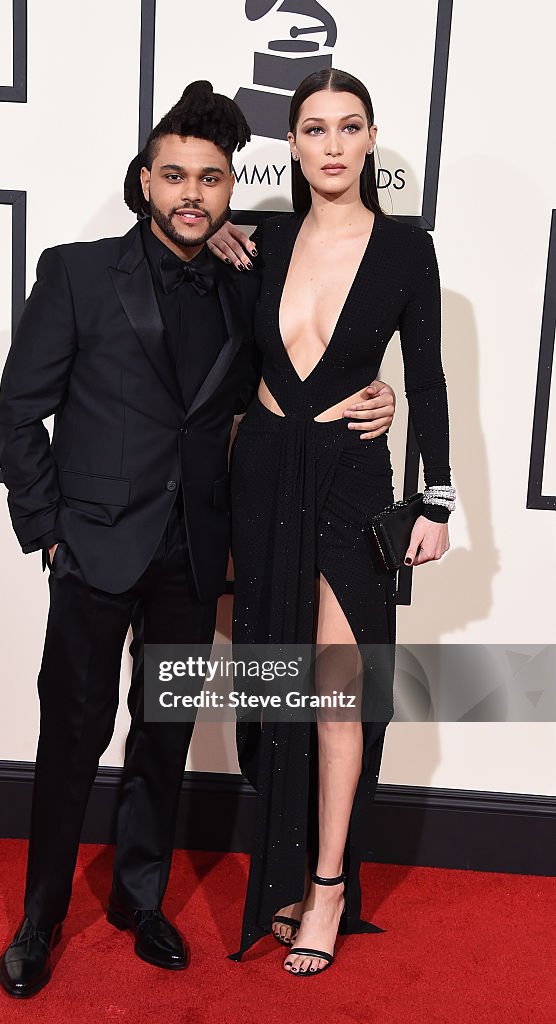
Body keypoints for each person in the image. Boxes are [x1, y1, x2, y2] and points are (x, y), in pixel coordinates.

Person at [0, 79, 396, 996]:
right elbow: (19, 414)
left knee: (163, 736)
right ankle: (41, 917)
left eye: (210, 179)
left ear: (229, 188)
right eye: (173, 175)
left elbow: (302, 371)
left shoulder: (247, 285)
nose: (191, 194)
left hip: (192, 553)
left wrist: (380, 393)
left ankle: (140, 900)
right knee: (71, 740)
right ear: (143, 182)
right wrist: (50, 531)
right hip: (93, 550)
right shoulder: (76, 271)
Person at [208, 67, 454, 976]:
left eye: (350, 128)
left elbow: (423, 378)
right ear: (295, 145)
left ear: (371, 138)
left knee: (337, 694)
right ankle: (281, 867)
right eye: (315, 129)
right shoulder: (262, 240)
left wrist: (437, 497)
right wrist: (217, 226)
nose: (334, 145)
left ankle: (327, 887)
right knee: (275, 685)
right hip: (265, 470)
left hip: (352, 475)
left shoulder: (403, 250)